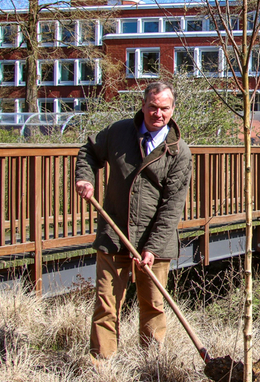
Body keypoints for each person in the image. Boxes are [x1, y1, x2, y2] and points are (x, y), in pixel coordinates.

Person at [76, 81, 193, 360]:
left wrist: (151, 248)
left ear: (173, 110)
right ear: (143, 105)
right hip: (114, 233)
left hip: (156, 242)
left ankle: (152, 368)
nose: (158, 114)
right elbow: (89, 152)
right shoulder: (118, 133)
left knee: (152, 307)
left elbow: (171, 207)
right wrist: (85, 177)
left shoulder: (179, 152)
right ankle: (103, 367)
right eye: (152, 107)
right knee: (106, 305)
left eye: (164, 108)